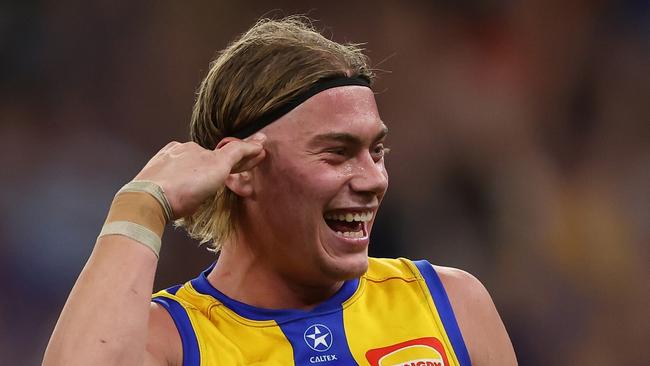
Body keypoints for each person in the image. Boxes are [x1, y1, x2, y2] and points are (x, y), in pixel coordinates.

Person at [42, 16, 516, 366]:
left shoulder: (451, 304)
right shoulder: (171, 340)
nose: (372, 179)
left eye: (376, 150)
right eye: (336, 153)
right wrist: (142, 205)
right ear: (242, 168)